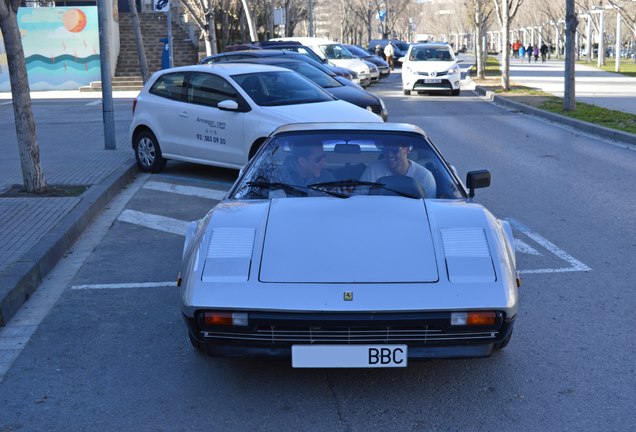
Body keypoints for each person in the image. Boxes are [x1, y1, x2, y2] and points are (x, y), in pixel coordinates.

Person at [360, 143, 436, 198]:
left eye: (394, 150)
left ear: (407, 149)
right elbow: (358, 199)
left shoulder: (424, 176)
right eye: (386, 150)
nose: (389, 155)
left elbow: (430, 209)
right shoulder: (373, 170)